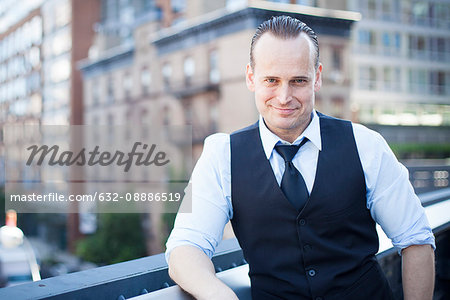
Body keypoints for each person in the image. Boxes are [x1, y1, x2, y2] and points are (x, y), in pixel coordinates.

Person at [165, 15, 435, 300]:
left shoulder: (366, 145)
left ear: (317, 77)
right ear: (250, 77)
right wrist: (221, 296)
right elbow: (185, 248)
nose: (284, 97)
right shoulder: (221, 155)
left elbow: (415, 240)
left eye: (298, 81)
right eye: (271, 80)